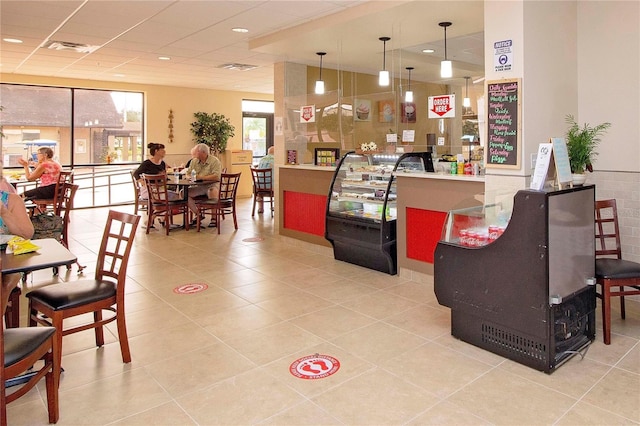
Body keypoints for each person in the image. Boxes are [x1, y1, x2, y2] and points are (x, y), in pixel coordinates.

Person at [133, 142, 180, 228]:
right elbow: (136, 174)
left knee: (177, 197)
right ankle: (153, 218)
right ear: (156, 151)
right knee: (170, 199)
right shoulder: (147, 163)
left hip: (160, 190)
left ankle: (161, 219)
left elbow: (166, 174)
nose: (164, 151)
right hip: (149, 191)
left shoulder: (162, 163)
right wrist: (142, 182)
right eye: (162, 150)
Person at [184, 143, 222, 226]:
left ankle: (214, 218)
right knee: (184, 193)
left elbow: (216, 177)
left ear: (203, 152)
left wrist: (201, 177)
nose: (194, 155)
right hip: (199, 186)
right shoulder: (194, 161)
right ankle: (198, 214)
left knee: (212, 191)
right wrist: (189, 177)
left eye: (196, 152)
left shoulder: (214, 161)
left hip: (212, 185)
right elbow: (187, 173)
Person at [256, 146, 274, 214]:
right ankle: (276, 206)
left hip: (259, 186)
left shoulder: (262, 160)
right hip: (271, 187)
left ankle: (260, 208)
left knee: (262, 181)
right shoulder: (276, 160)